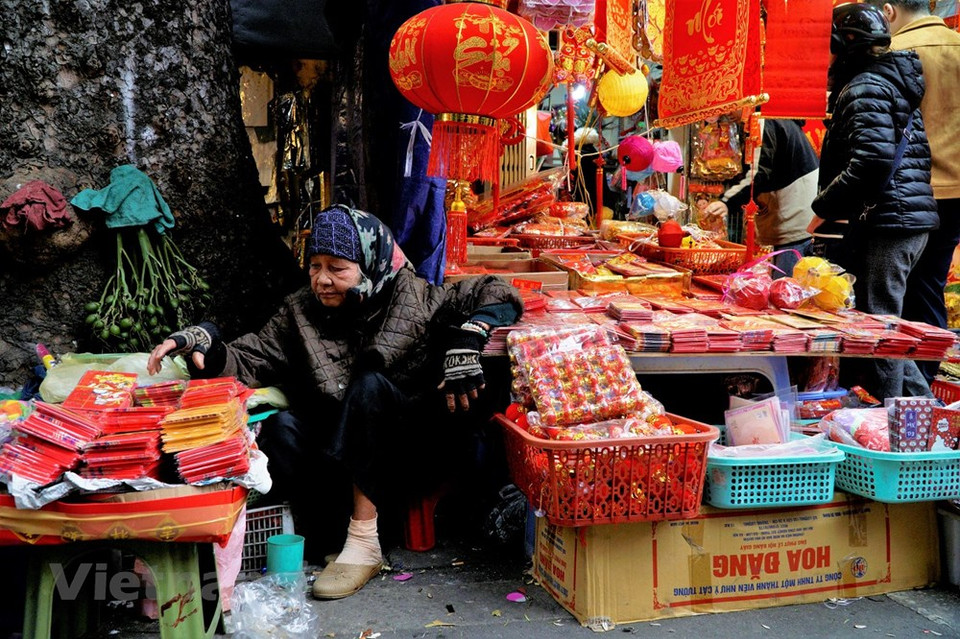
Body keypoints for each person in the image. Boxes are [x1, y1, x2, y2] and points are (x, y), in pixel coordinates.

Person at [146, 205, 523, 599]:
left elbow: (499, 291)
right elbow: (250, 357)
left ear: (371, 265)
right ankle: (330, 533)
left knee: (369, 386)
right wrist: (204, 343)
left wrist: (471, 333)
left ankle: (364, 542)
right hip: (345, 455)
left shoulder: (416, 298)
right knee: (282, 427)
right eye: (315, 266)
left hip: (410, 452)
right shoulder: (300, 312)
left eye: (337, 268)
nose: (322, 279)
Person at [807, 3, 939, 400]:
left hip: (893, 221)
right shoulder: (880, 81)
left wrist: (823, 207)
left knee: (880, 325)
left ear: (845, 44)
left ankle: (894, 417)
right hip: (898, 217)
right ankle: (924, 408)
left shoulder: (867, 86)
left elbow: (871, 161)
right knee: (880, 320)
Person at [866, 0, 960, 383]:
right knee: (930, 286)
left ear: (889, 11)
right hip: (955, 192)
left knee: (892, 292)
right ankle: (924, 380)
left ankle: (907, 388)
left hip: (907, 193)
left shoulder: (894, 52)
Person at [703, 118, 819, 278]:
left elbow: (759, 173)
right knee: (785, 286)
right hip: (796, 220)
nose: (728, 112)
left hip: (793, 222)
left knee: (785, 288)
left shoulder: (765, 120)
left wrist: (727, 202)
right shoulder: (774, 120)